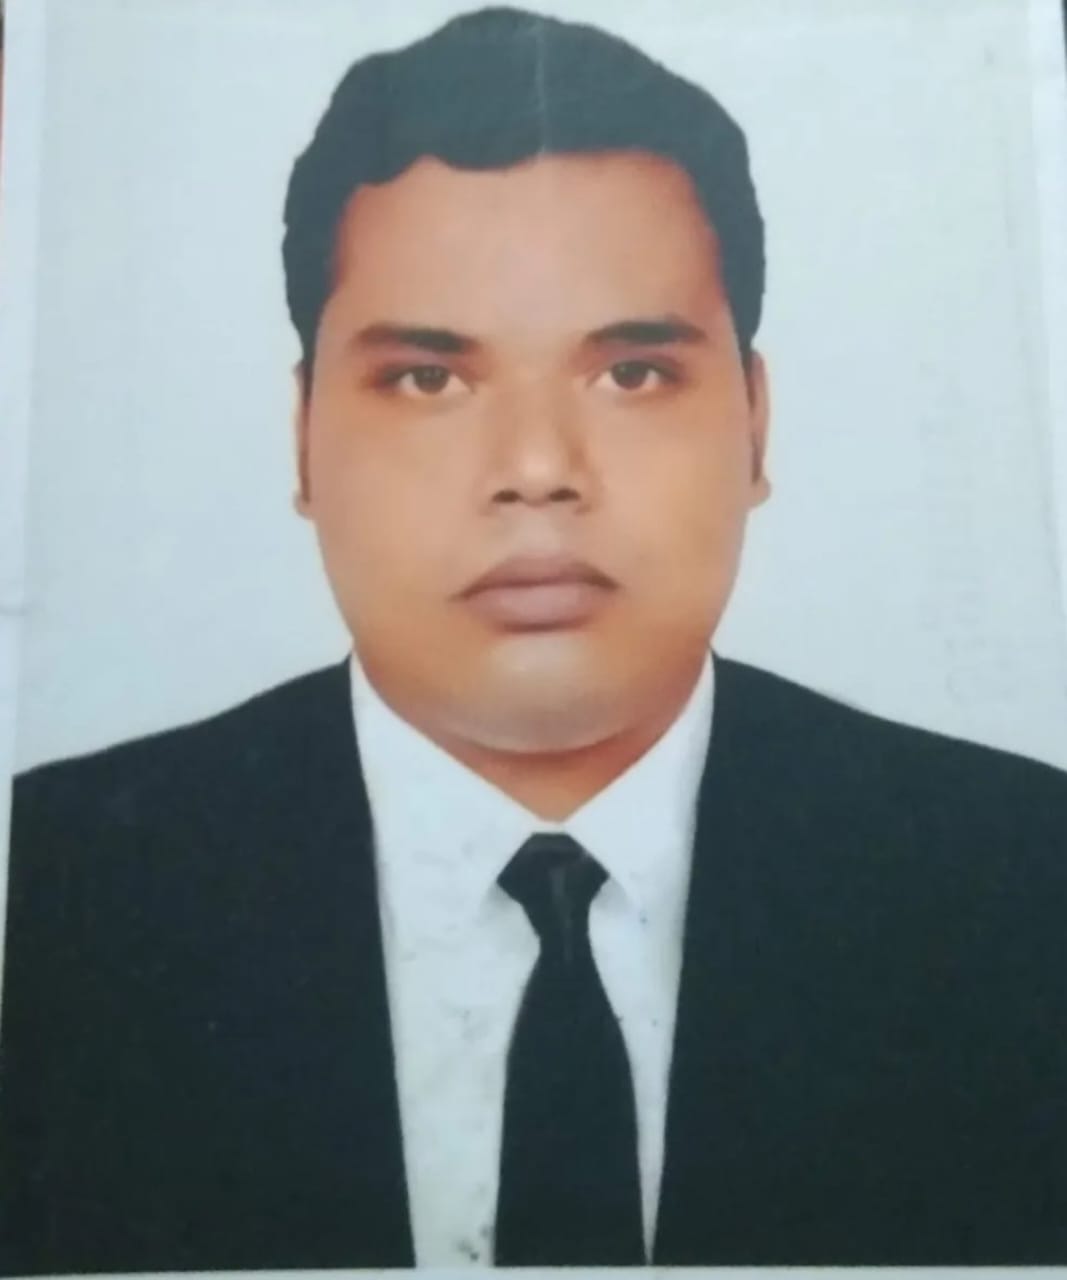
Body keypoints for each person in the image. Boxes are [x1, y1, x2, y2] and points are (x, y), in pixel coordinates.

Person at [1, 6, 1065, 1272]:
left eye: (631, 374)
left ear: (754, 423)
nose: (538, 469)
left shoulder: (1023, 878)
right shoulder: (53, 887)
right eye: (427, 378)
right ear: (302, 439)